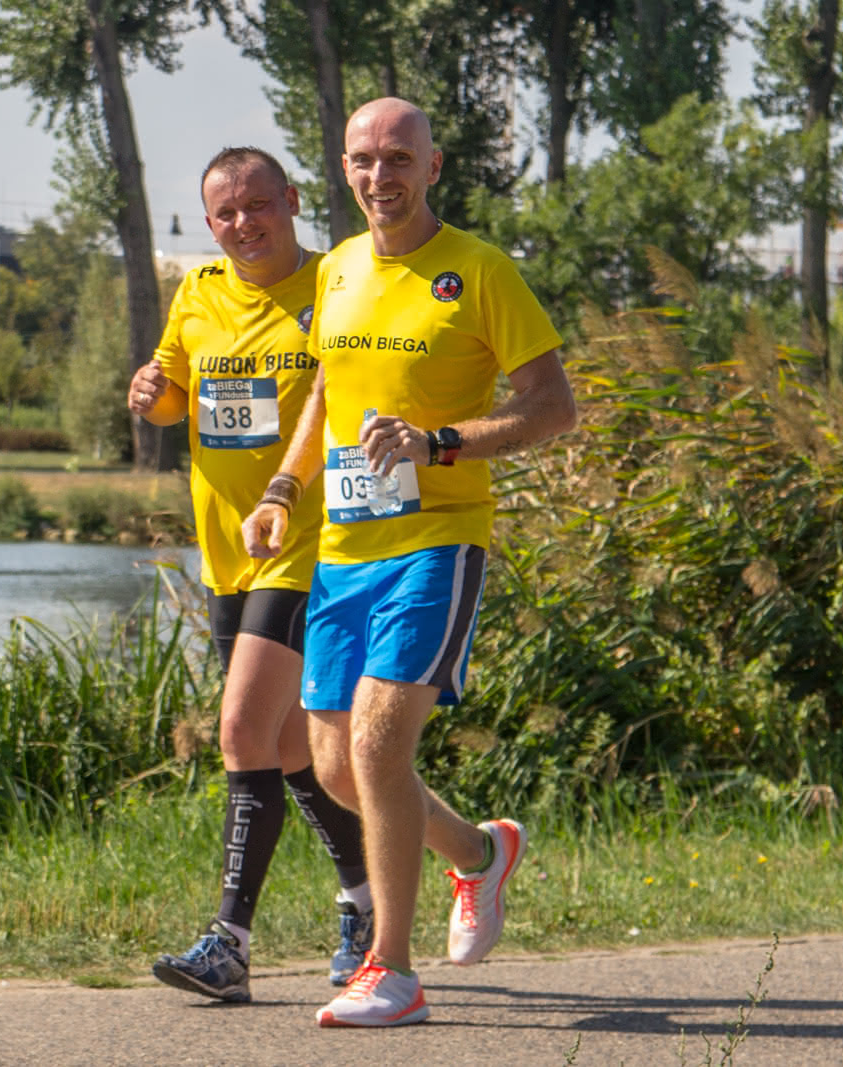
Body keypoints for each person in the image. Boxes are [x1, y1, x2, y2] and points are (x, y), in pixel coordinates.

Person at [242, 97, 579, 1028]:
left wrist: (440, 444)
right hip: (343, 549)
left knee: (382, 745)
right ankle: (480, 853)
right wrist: (281, 490)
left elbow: (554, 407)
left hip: (438, 541)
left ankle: (392, 969)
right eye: (362, 159)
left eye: (398, 158)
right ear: (343, 170)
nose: (379, 176)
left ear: (433, 167)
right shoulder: (340, 268)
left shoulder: (478, 271)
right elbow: (324, 394)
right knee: (341, 770)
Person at [128, 146, 372, 1004]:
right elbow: (171, 395)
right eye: (226, 214)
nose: (243, 225)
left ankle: (228, 942)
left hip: (311, 540)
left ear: (293, 201)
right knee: (289, 746)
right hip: (227, 549)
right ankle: (369, 899)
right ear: (209, 224)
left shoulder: (336, 283)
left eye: (258, 206)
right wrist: (151, 392)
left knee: (239, 731)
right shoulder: (198, 291)